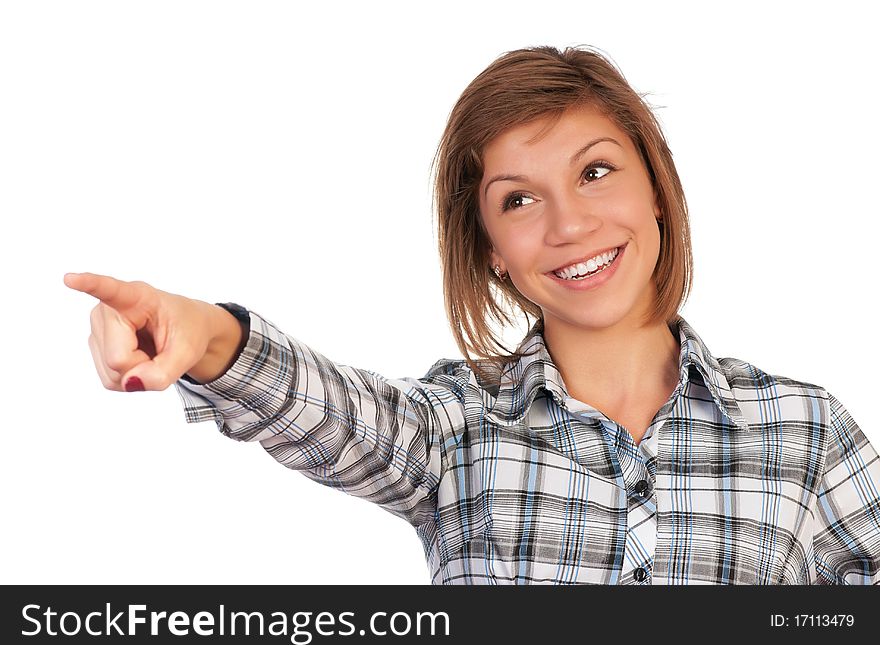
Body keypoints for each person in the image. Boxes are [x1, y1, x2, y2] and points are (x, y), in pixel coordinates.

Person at [64, 45, 880, 585]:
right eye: (519, 199)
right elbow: (323, 406)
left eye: (596, 172)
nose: (569, 225)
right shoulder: (455, 429)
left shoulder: (806, 431)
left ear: (658, 190)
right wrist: (202, 331)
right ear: (491, 245)